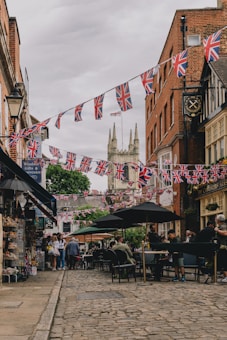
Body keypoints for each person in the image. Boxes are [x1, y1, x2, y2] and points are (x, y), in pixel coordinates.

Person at [214, 214, 227, 283]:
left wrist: (217, 230)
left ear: (218, 220)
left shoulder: (223, 226)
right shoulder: (220, 226)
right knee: (221, 262)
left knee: (224, 261)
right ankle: (224, 276)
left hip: (223, 247)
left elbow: (225, 233)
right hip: (220, 246)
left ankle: (226, 276)